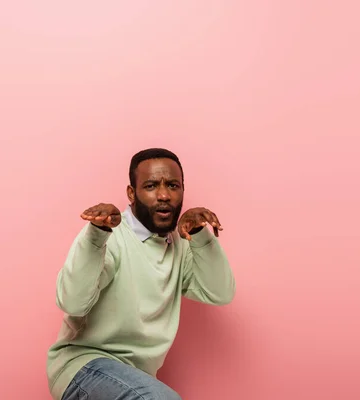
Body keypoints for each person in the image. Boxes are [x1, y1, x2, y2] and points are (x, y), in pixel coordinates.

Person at [46, 148, 236, 400]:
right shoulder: (109, 235)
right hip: (83, 366)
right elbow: (71, 302)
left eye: (173, 185)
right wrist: (95, 235)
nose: (164, 195)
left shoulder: (180, 244)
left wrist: (201, 235)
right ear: (131, 194)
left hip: (135, 377)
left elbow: (220, 292)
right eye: (150, 186)